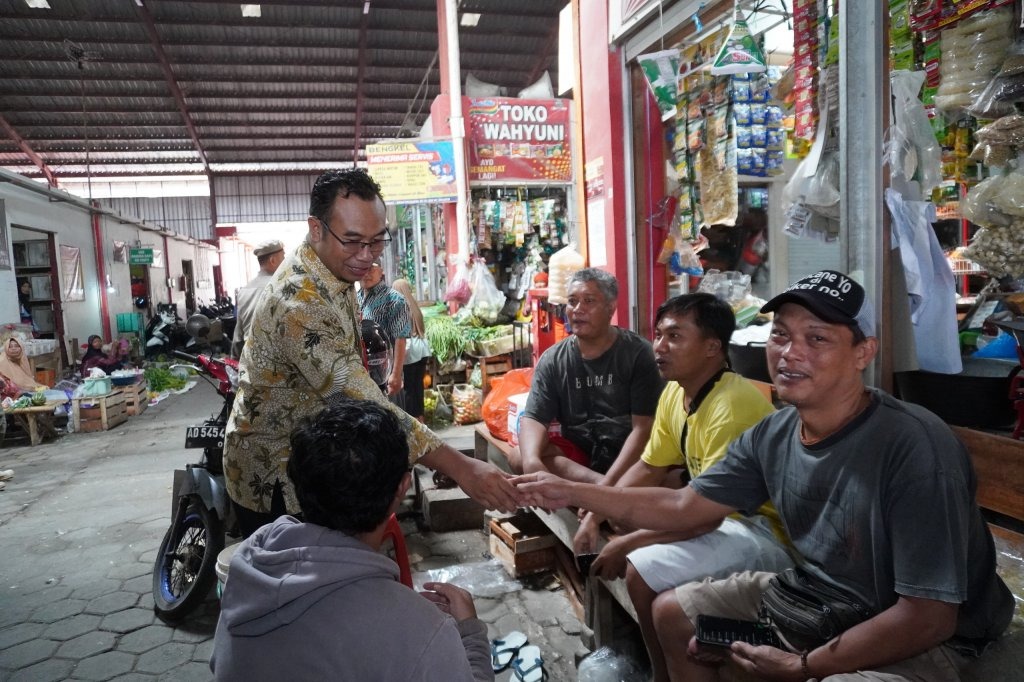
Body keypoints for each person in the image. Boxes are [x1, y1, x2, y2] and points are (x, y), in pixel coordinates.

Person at [516, 270, 1015, 682]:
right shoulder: (775, 433)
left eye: (816, 338)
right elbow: (686, 506)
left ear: (864, 353)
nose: (789, 353)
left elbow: (927, 616)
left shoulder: (913, 449)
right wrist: (574, 492)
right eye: (780, 335)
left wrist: (802, 665)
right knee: (675, 614)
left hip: (934, 634)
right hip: (817, 597)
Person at [224, 168, 518, 537]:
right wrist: (461, 467)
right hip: (273, 480)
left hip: (310, 458)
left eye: (377, 242)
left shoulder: (332, 268)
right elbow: (360, 398)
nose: (366, 256)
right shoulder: (298, 300)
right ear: (316, 228)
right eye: (352, 242)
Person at [572, 292, 790, 682]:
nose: (659, 346)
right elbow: (649, 466)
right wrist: (594, 516)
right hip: (713, 518)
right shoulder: (676, 392)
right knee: (621, 527)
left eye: (674, 336)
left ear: (712, 348)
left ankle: (662, 672)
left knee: (638, 564)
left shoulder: (731, 406)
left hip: (761, 532)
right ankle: (665, 668)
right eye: (658, 335)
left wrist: (628, 542)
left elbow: (703, 518)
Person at [211, 398, 493, 681]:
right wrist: (470, 630)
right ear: (402, 488)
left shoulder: (246, 569)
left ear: (298, 484)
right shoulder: (422, 631)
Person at [507, 268, 663, 484]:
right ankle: (602, 488)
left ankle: (603, 490)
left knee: (662, 472)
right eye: (572, 301)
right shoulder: (553, 359)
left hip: (630, 456)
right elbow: (534, 418)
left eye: (589, 301)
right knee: (519, 456)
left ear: (611, 308)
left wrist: (610, 483)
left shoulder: (638, 353)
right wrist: (532, 462)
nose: (578, 309)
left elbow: (643, 428)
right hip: (582, 456)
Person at [358, 262, 410, 398]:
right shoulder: (355, 298)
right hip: (361, 377)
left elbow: (401, 338)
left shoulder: (395, 300)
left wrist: (396, 375)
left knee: (390, 417)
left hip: (386, 379)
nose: (365, 273)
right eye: (362, 268)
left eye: (370, 268)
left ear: (381, 271)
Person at [231, 239, 286, 358]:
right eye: (283, 257)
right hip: (277, 360)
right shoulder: (283, 286)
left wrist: (235, 362)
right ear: (273, 260)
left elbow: (238, 336)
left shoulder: (243, 291)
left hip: (252, 359)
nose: (286, 262)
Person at [392, 278, 432, 422]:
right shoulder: (415, 307)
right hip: (422, 350)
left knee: (408, 389)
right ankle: (421, 417)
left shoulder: (400, 308)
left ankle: (413, 421)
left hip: (410, 352)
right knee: (418, 387)